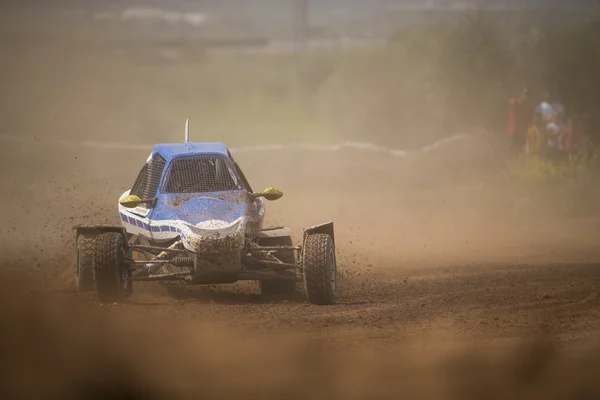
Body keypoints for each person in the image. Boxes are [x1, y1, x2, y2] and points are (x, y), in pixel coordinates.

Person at [507, 87, 533, 154]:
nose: (522, 97)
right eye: (521, 95)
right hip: (514, 128)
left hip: (522, 129)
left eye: (524, 95)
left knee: (521, 144)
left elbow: (529, 117)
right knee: (513, 144)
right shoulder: (514, 103)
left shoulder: (527, 105)